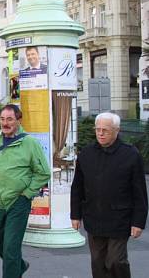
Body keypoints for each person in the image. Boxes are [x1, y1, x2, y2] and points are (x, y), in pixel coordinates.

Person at [70, 112, 148, 278]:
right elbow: (77, 187)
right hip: (94, 217)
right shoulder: (86, 154)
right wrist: (75, 215)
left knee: (115, 261)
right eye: (97, 129)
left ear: (117, 130)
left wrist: (138, 222)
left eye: (105, 130)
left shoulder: (131, 155)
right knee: (98, 262)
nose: (100, 133)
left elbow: (139, 192)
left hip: (120, 219)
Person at [0, 104, 50, 278]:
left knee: (10, 248)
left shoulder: (29, 143)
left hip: (18, 203)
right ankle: (19, 266)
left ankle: (13, 269)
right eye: (2, 119)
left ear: (18, 120)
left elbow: (44, 172)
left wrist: (26, 193)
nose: (5, 123)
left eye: (10, 119)